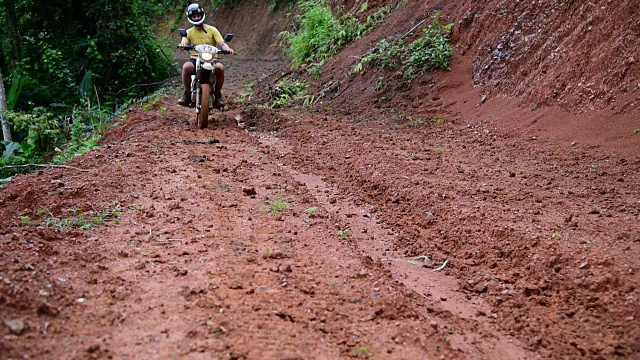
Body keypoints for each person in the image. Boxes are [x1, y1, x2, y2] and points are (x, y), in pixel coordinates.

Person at [178, 3, 234, 108]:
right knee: (186, 67)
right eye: (194, 16)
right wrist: (182, 45)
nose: (196, 18)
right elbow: (184, 42)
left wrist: (227, 49)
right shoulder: (189, 32)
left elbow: (222, 43)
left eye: (198, 15)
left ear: (202, 15)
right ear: (190, 18)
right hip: (195, 58)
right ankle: (187, 94)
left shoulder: (212, 29)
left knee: (220, 68)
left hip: (212, 58)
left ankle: (217, 95)